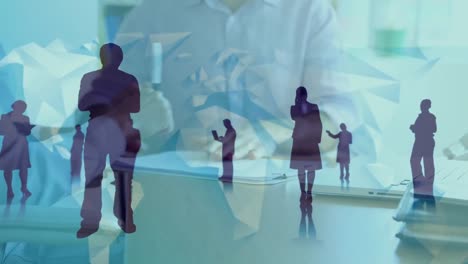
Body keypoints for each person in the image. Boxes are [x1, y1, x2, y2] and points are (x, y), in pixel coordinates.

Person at [117, 0, 358, 160]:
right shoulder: (152, 13)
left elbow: (337, 119)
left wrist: (271, 134)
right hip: (179, 193)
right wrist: (145, 130)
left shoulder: (310, 11)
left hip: (282, 196)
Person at [77, 43, 141, 238]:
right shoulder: (122, 79)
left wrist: (103, 101)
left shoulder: (92, 78)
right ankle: (100, 220)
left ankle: (113, 220)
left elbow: (136, 107)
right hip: (110, 129)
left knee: (114, 178)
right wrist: (113, 102)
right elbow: (82, 104)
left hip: (115, 129)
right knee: (111, 178)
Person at [290, 87, 322, 199]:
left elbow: (318, 123)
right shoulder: (294, 108)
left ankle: (309, 191)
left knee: (311, 167)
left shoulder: (314, 106)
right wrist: (297, 103)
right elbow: (294, 117)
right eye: (299, 95)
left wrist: (318, 138)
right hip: (299, 141)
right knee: (301, 167)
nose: (301, 96)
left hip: (311, 140)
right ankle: (303, 191)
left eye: (302, 94)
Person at [0, 100, 33, 199]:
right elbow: (0, 131)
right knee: (7, 167)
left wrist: (22, 127)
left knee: (23, 167)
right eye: (20, 107)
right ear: (14, 106)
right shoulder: (5, 117)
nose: (22, 109)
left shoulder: (25, 118)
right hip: (9, 144)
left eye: (23, 108)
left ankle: (24, 187)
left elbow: (27, 132)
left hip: (21, 144)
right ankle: (9, 189)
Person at [410, 99, 436, 195]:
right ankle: (421, 181)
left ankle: (426, 182)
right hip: (421, 141)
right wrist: (415, 128)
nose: (421, 107)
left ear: (427, 106)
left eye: (423, 105)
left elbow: (433, 128)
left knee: (426, 161)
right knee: (416, 160)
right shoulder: (422, 117)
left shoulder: (430, 117)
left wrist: (415, 128)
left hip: (425, 141)